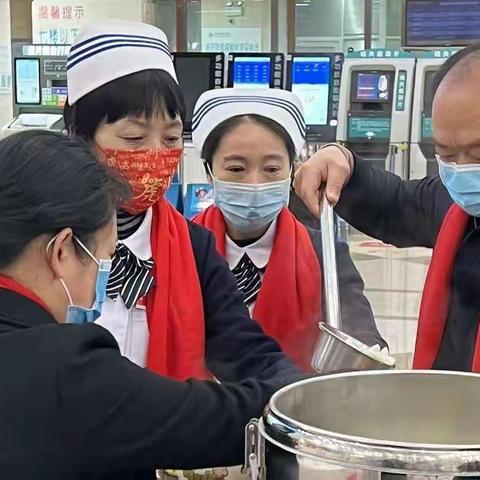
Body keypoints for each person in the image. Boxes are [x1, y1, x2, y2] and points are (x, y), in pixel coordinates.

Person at [0, 130, 303, 479]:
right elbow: (208, 419)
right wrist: (314, 399)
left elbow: (240, 344)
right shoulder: (65, 372)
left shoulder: (194, 247)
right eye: (106, 258)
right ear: (63, 250)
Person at [63, 20, 301, 382]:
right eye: (134, 137)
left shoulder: (193, 248)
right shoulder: (39, 239)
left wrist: (296, 395)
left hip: (164, 432)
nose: (156, 155)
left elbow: (244, 348)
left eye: (172, 138)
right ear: (80, 134)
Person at [294, 42, 480, 373]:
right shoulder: (457, 211)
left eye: (478, 153)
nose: (462, 169)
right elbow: (396, 205)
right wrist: (344, 164)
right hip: (448, 410)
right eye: (447, 155)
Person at [191, 88, 387, 370]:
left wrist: (367, 355)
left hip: (298, 405)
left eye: (271, 169)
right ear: (209, 172)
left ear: (291, 170)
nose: (255, 183)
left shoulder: (324, 253)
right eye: (236, 169)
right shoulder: (183, 248)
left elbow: (359, 329)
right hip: (204, 407)